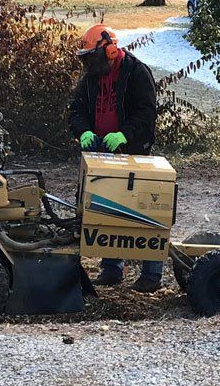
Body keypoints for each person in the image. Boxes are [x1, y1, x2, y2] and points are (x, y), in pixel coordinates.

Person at [68, 24, 162, 292]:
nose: (88, 64)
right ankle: (111, 269)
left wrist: (124, 135)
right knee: (106, 209)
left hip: (133, 152)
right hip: (101, 153)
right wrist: (83, 130)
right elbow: (75, 109)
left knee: (142, 211)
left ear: (109, 50)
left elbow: (147, 112)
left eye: (91, 56)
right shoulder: (91, 78)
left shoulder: (137, 72)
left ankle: (152, 273)